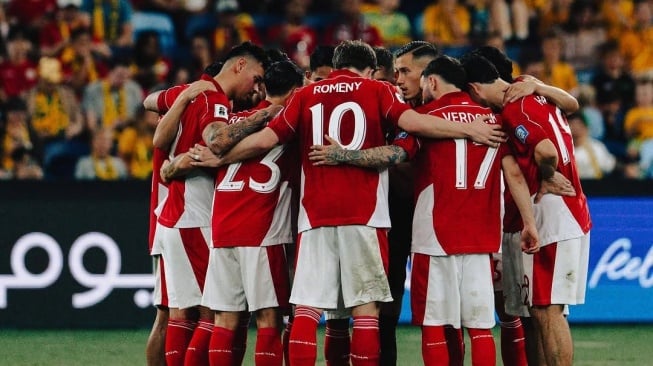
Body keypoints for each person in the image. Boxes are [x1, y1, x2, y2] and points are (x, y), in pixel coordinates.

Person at [212, 40, 506, 366]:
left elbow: (265, 140)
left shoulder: (306, 95)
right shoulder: (378, 91)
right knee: (366, 310)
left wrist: (217, 158)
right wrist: (468, 129)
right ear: (368, 69)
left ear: (337, 64)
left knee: (307, 310)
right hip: (365, 216)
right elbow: (414, 126)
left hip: (315, 217)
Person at [463, 53, 591, 366]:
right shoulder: (528, 92)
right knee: (536, 312)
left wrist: (547, 174)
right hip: (552, 213)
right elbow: (571, 107)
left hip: (555, 213)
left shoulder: (515, 107)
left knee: (547, 311)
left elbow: (544, 150)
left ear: (475, 89)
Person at [151, 41, 271, 366]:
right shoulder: (216, 100)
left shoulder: (192, 92)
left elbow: (152, 110)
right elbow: (215, 141)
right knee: (214, 313)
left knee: (179, 314)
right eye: (257, 78)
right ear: (239, 66)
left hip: (172, 215)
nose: (257, 87)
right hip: (197, 213)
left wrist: (184, 94)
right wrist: (265, 116)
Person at [187, 59, 303, 366]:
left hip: (223, 228)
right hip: (262, 229)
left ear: (263, 87)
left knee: (225, 319)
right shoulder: (291, 120)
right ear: (296, 91)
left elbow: (214, 147)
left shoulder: (238, 120)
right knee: (268, 319)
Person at [569, 112, 616, 179]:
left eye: (579, 125)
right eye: (572, 125)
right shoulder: (564, 151)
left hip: (595, 185)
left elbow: (609, 166)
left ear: (586, 128)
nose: (576, 128)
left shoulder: (597, 147)